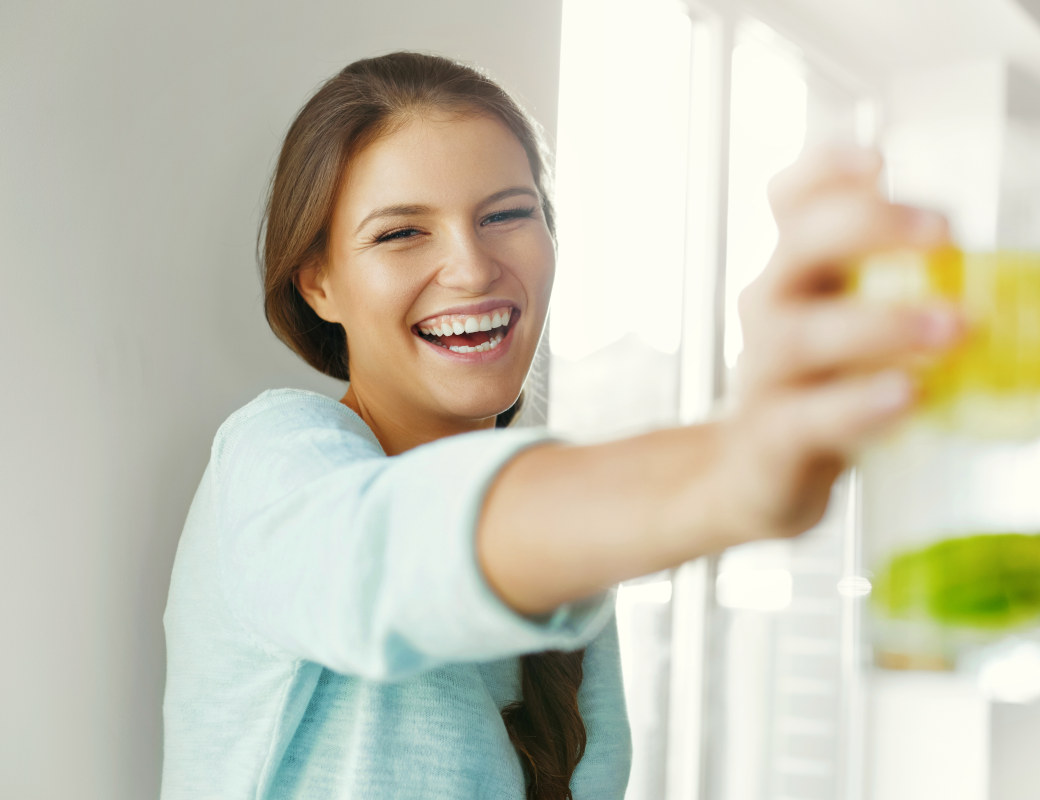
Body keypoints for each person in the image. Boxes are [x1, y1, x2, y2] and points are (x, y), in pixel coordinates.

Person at [160, 51, 962, 800]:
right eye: (402, 232)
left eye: (508, 214)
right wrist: (733, 466)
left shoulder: (565, 553)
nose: (472, 268)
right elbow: (379, 556)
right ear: (319, 283)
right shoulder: (270, 462)